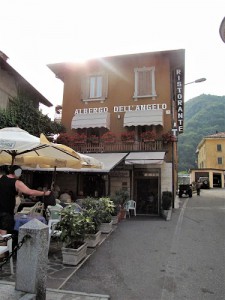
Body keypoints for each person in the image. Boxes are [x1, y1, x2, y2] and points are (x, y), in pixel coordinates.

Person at [0, 165, 51, 234]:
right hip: (6, 212)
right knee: (3, 235)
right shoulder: (17, 183)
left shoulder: (1, 177)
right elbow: (30, 192)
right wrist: (44, 193)